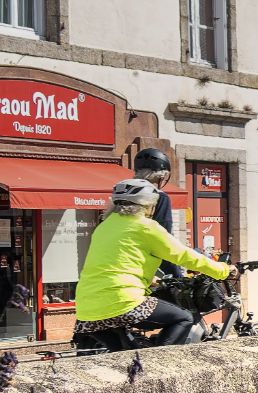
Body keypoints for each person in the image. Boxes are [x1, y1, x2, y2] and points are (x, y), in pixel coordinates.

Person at [73, 180, 230, 348]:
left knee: (125, 356)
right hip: (123, 302)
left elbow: (115, 262)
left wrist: (150, 278)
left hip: (86, 310)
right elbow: (183, 255)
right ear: (147, 205)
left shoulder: (104, 227)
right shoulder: (146, 227)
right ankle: (160, 365)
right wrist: (223, 270)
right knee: (184, 318)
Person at [133, 148, 184, 279]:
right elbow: (163, 241)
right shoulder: (159, 197)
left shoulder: (122, 195)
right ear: (161, 176)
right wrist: (177, 276)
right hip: (148, 269)